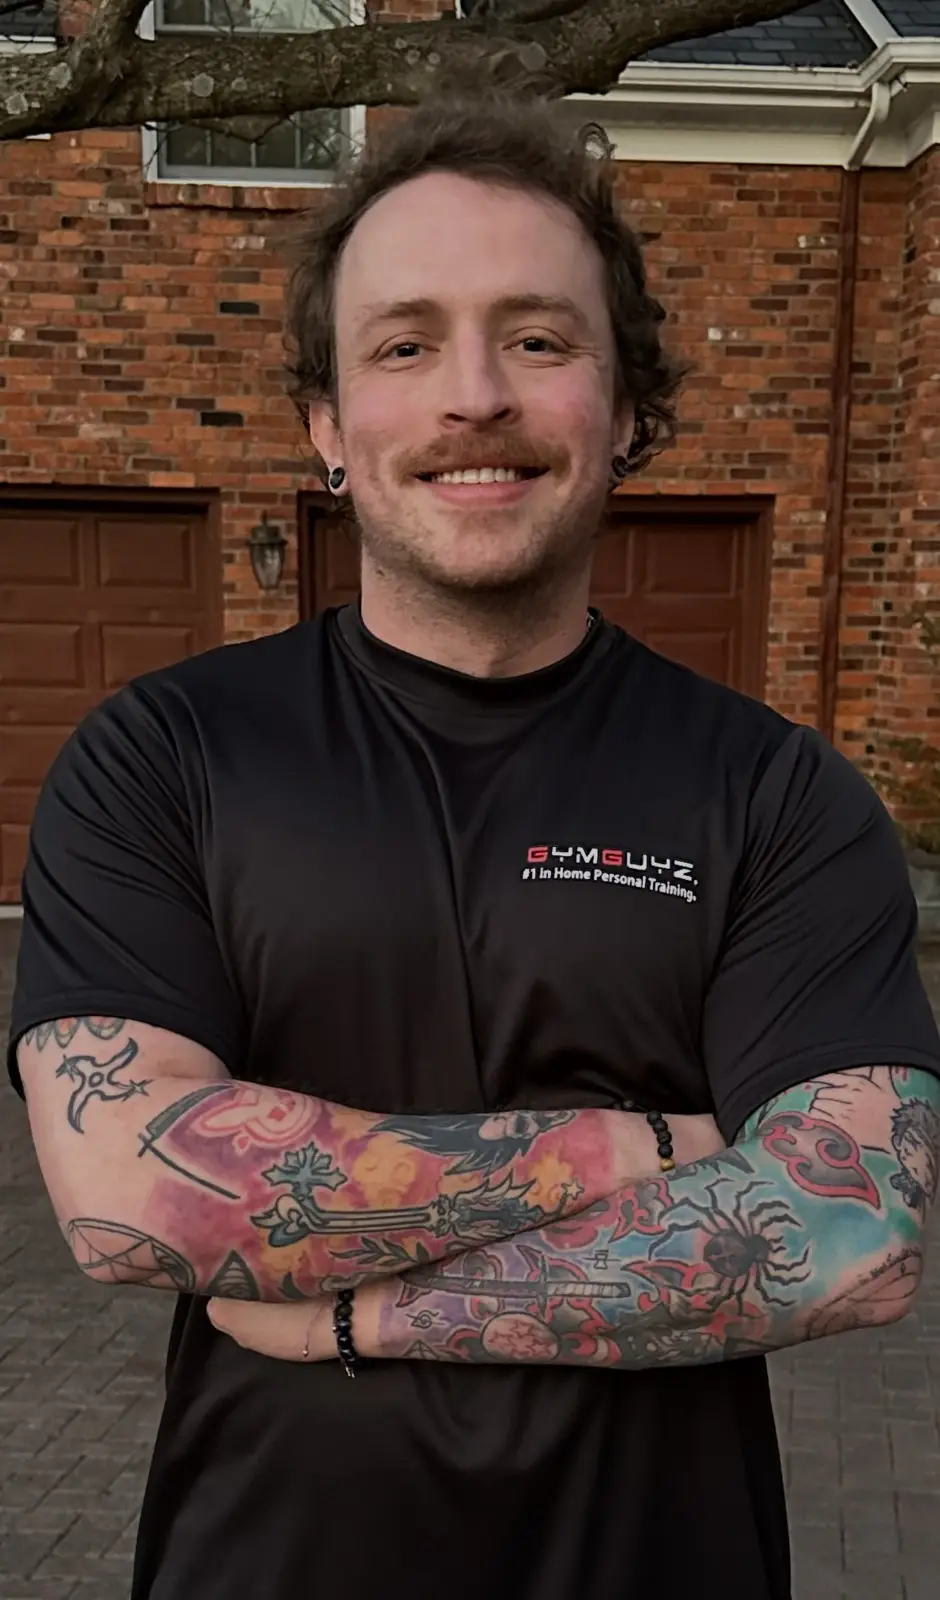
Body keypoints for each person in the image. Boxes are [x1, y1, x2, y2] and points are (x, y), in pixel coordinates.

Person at [8, 93, 940, 1600]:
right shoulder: (166, 758)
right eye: (404, 344)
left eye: (539, 338)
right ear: (327, 424)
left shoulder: (775, 792)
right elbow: (132, 1199)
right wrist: (652, 1147)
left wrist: (358, 1317)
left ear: (625, 408)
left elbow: (849, 1231)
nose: (475, 395)